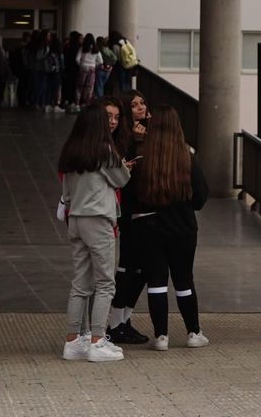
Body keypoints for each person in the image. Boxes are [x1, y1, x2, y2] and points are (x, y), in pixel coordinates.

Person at [128, 106, 210, 350]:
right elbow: (201, 196)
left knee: (157, 282)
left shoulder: (141, 156)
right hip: (183, 227)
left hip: (149, 227)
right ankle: (193, 332)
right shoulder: (187, 156)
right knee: (184, 281)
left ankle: (161, 336)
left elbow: (130, 194)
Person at [58, 105, 133, 363]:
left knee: (80, 283)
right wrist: (124, 165)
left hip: (76, 218)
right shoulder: (105, 150)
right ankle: (98, 340)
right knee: (105, 282)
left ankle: (73, 341)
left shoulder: (71, 151)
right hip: (98, 219)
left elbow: (65, 192)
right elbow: (122, 179)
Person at [108, 92, 151, 344]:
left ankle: (124, 320)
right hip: (128, 210)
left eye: (142, 103)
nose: (140, 108)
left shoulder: (149, 133)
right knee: (128, 268)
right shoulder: (121, 140)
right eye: (133, 105)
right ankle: (116, 323)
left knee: (142, 269)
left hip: (146, 209)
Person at [75, 34, 102, 107]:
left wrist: (81, 64)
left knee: (80, 86)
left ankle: (77, 103)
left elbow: (77, 59)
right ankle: (87, 103)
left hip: (83, 67)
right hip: (92, 68)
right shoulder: (96, 49)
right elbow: (100, 61)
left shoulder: (82, 48)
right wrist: (94, 64)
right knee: (90, 87)